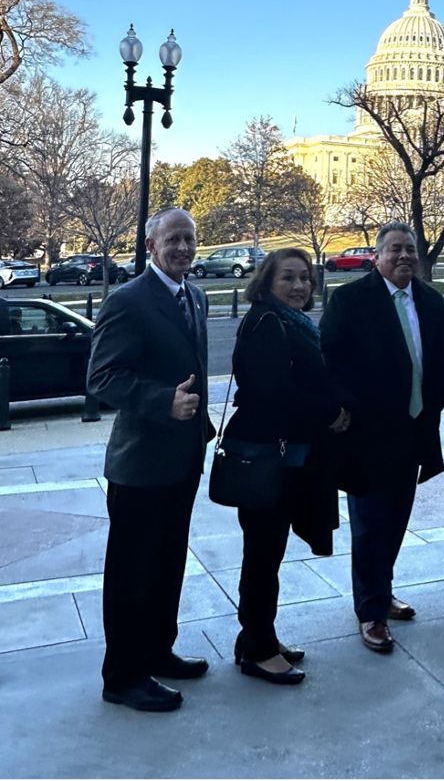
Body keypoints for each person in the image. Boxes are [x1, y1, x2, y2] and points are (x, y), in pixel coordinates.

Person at [87, 208, 213, 712]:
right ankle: (122, 675)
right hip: (140, 465)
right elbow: (102, 377)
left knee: (168, 563)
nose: (182, 248)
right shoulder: (129, 301)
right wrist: (164, 401)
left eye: (190, 239)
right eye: (173, 239)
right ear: (151, 243)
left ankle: (157, 650)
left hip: (183, 460)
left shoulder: (196, 296)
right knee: (131, 573)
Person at [224, 248, 349, 685]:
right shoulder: (265, 322)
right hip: (265, 457)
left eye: (305, 279)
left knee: (268, 553)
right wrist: (328, 412)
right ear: (267, 283)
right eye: (288, 278)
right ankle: (258, 649)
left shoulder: (288, 321)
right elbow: (272, 390)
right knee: (261, 554)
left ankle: (257, 636)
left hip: (286, 454)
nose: (299, 287)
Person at [319, 222, 444, 653]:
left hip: (413, 433)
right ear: (377, 256)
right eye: (395, 250)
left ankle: (382, 590)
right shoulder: (351, 300)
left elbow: (441, 362)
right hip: (367, 435)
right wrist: (345, 410)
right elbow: (331, 360)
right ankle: (370, 611)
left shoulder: (430, 301)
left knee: (395, 521)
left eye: (410, 249)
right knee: (370, 524)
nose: (405, 256)